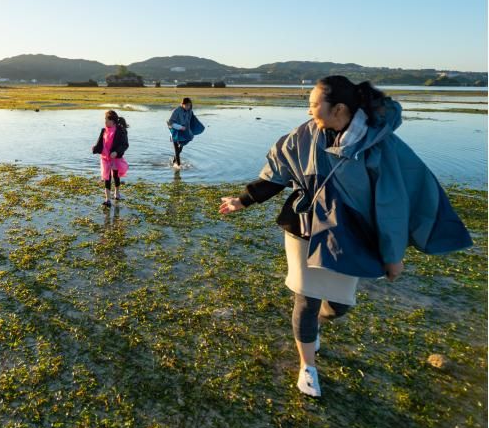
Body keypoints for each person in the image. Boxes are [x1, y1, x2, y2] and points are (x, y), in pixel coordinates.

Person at [218, 75, 472, 398]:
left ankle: (314, 328)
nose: (308, 109)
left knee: (338, 305)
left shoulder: (378, 145)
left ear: (338, 108)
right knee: (305, 299)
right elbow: (278, 173)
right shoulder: (305, 135)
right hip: (304, 228)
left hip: (347, 234)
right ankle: (306, 367)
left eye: (313, 104)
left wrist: (393, 257)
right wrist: (243, 199)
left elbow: (392, 204)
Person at [91, 110, 129, 207]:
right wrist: (95, 148)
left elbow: (125, 145)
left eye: (106, 120)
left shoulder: (120, 131)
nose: (105, 122)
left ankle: (117, 193)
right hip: (105, 158)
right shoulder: (103, 130)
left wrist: (116, 152)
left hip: (115, 158)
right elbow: (100, 143)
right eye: (105, 120)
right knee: (107, 177)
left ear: (112, 121)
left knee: (116, 176)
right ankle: (107, 199)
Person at [167, 97, 204, 169]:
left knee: (180, 149)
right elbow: (171, 122)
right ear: (182, 104)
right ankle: (178, 167)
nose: (188, 107)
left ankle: (174, 161)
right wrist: (180, 127)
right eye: (186, 105)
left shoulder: (190, 111)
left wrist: (190, 131)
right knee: (177, 151)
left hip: (185, 132)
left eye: (189, 105)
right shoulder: (177, 111)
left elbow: (191, 121)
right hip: (175, 131)